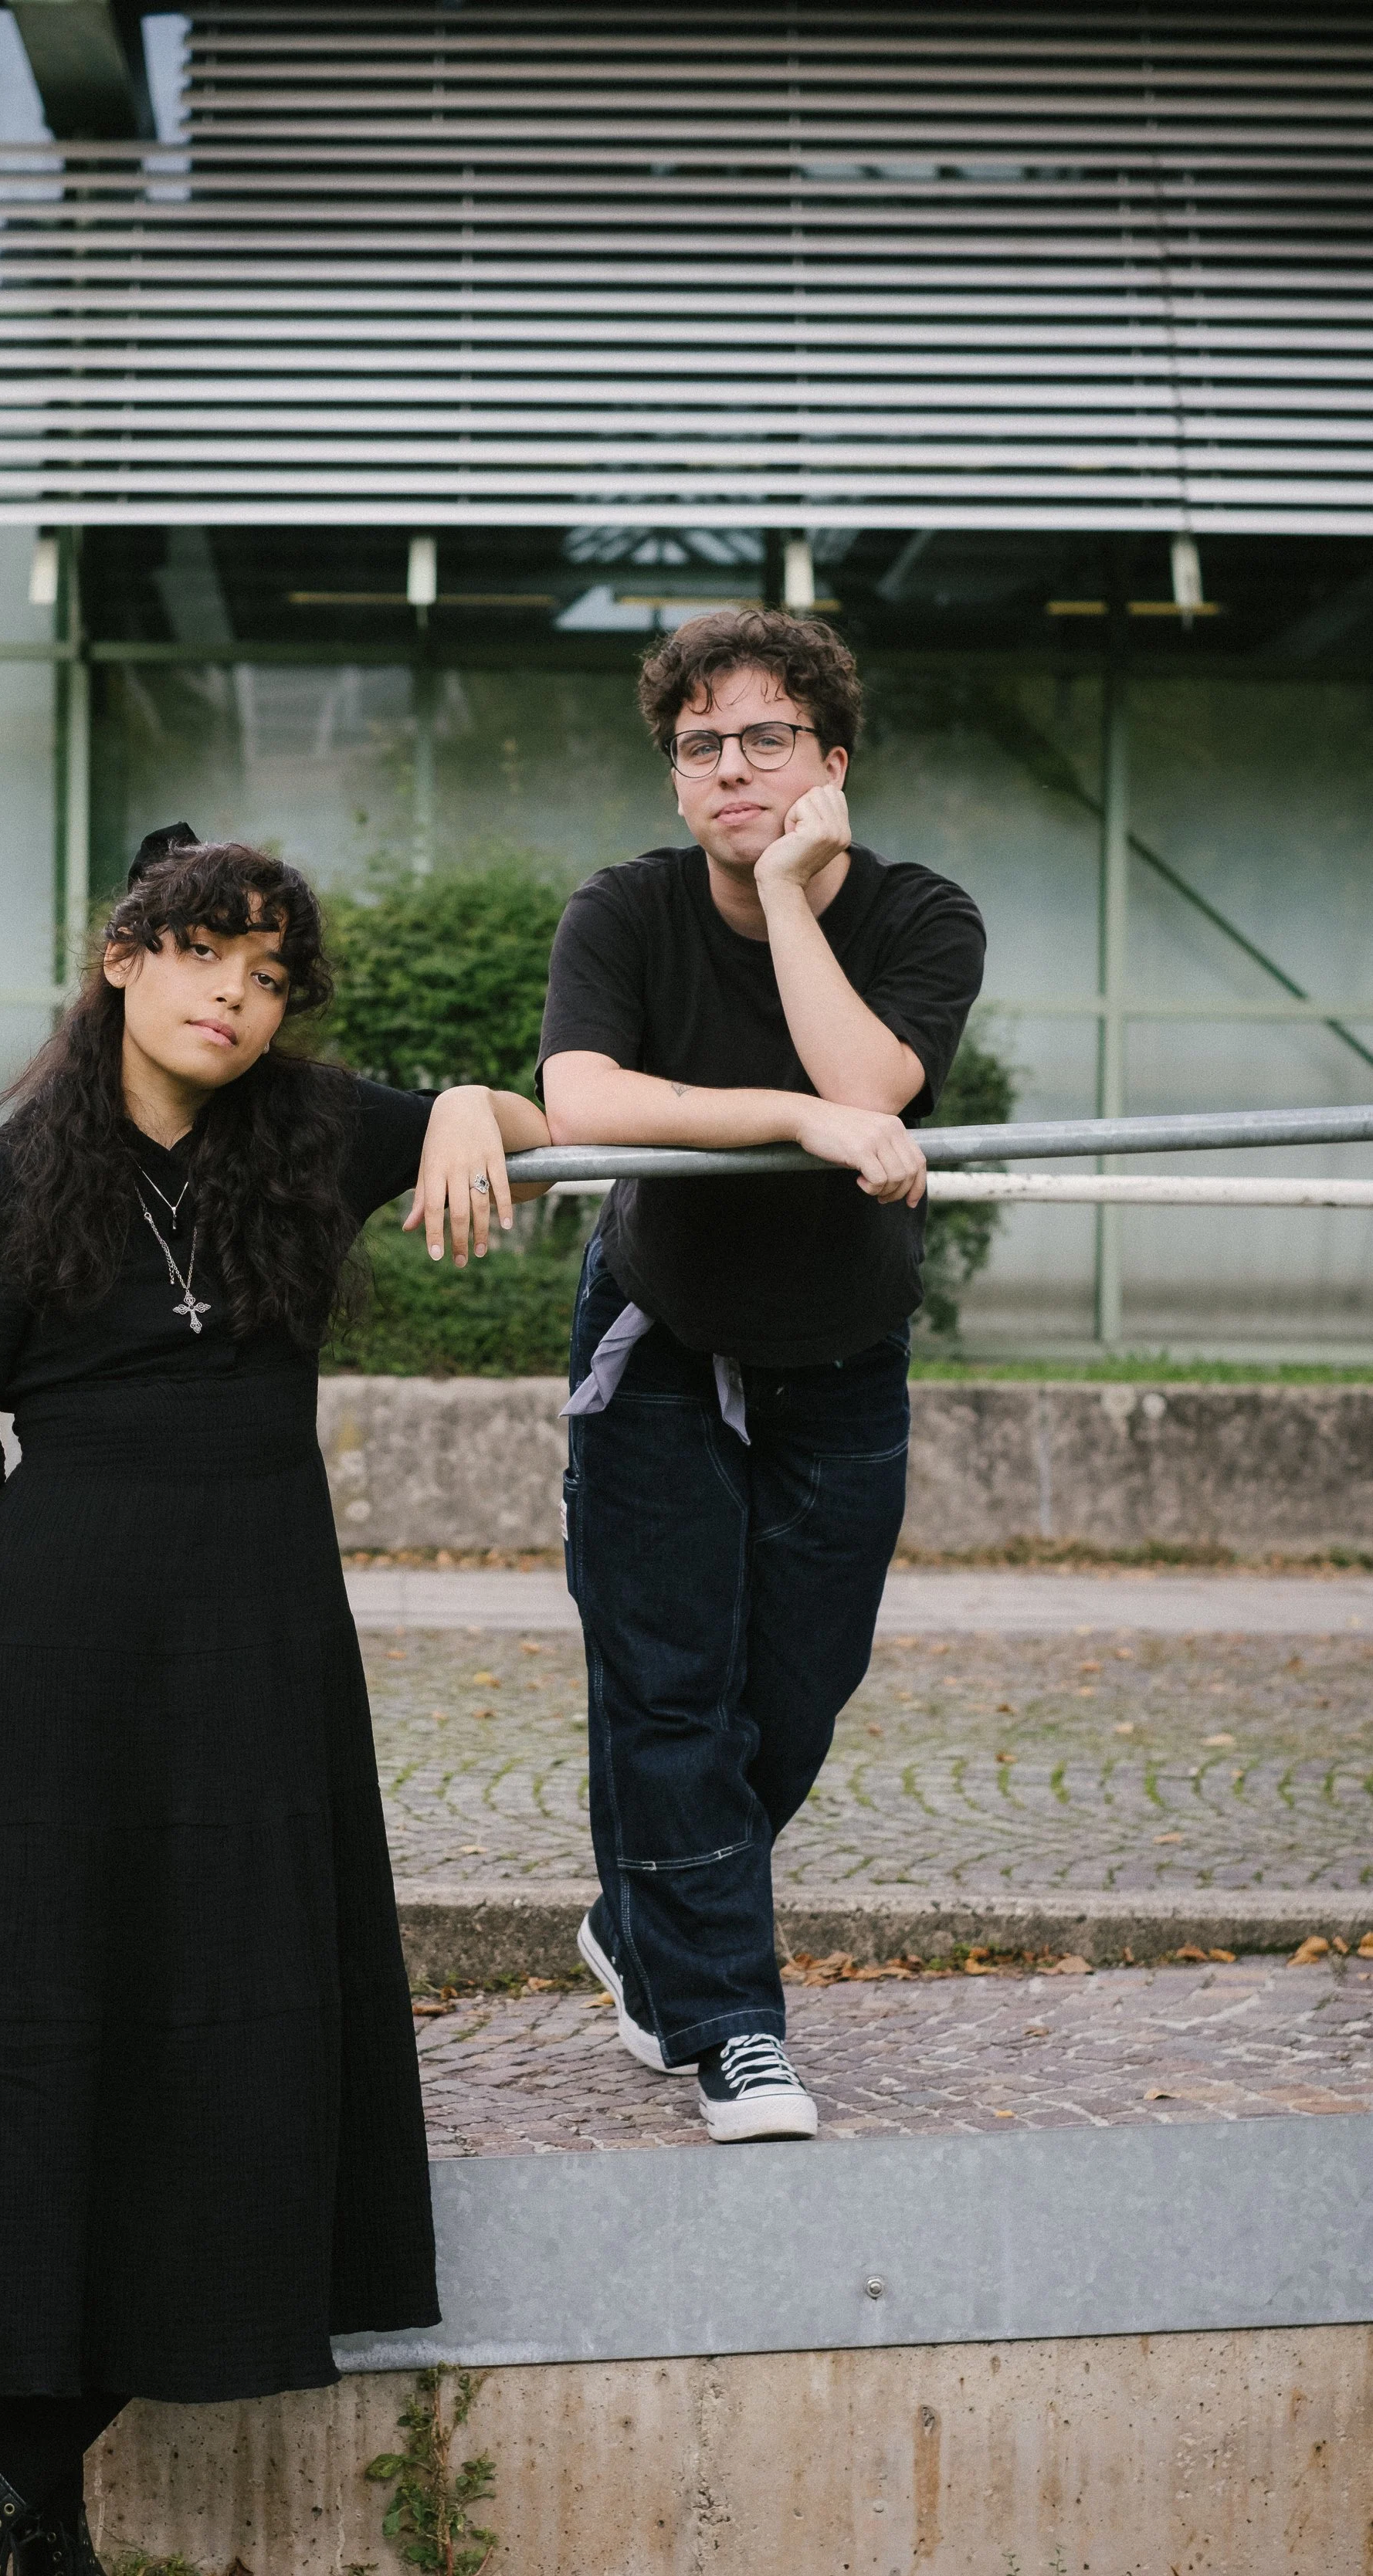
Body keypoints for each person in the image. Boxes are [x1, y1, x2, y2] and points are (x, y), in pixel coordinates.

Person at [0, 831, 549, 2576]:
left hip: (258, 1682)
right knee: (49, 2074)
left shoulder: (305, 1140)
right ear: (124, 956)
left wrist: (477, 1102)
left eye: (269, 972)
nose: (234, 993)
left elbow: (564, 1105)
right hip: (42, 1692)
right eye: (202, 953)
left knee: (229, 2077)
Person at [537, 609, 985, 2143]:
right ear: (671, 778)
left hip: (838, 1357)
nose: (729, 769)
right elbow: (583, 1096)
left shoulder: (921, 916)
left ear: (830, 762)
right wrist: (788, 1124)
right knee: (670, 1699)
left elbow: (869, 1090)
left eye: (765, 740)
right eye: (699, 747)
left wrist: (793, 901)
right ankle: (732, 2030)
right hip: (658, 1337)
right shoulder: (625, 913)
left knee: (793, 1695)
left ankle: (641, 1913)